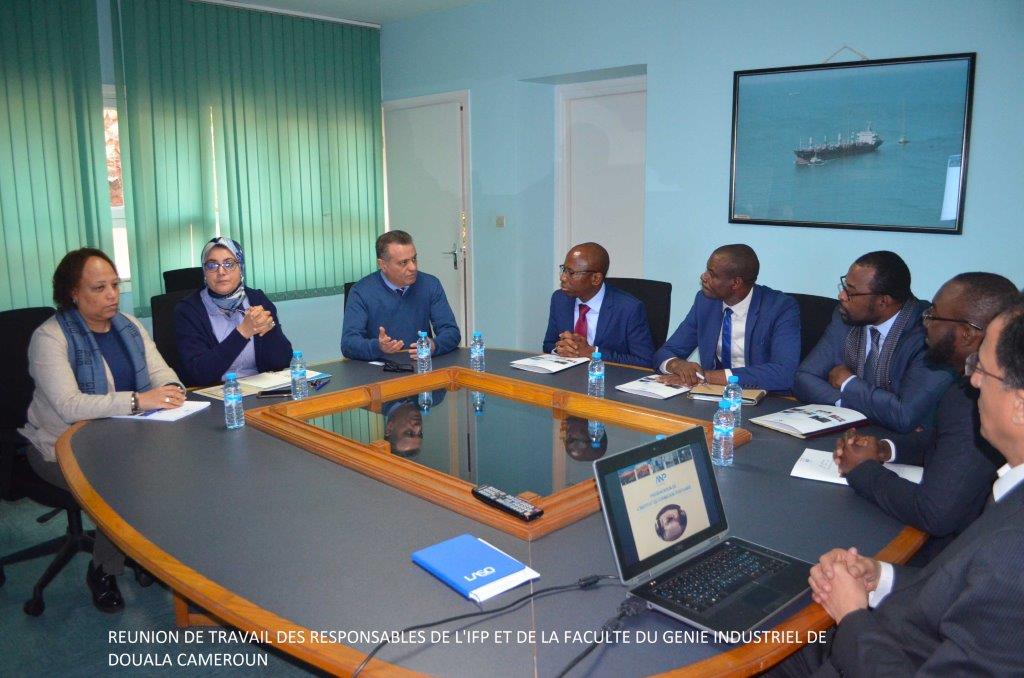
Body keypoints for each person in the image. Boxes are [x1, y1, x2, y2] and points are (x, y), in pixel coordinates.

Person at [770, 298, 1024, 677]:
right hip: (899, 630)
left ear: (1019, 404)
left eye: (982, 371)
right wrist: (880, 577)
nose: (972, 380)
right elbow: (961, 590)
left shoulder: (1012, 554)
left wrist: (852, 614)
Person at [19, 248, 185, 612]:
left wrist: (172, 390)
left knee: (179, 464)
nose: (112, 294)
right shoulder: (50, 338)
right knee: (121, 485)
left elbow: (161, 372)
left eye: (115, 285)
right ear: (72, 293)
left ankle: (150, 556)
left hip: (128, 438)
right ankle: (104, 570)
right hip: (61, 445)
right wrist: (139, 401)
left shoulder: (128, 325)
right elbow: (69, 405)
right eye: (99, 288)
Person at [833, 273, 1017, 555]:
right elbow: (948, 442)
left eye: (934, 315)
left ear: (967, 333)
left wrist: (862, 470)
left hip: (954, 554)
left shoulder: (971, 399)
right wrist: (886, 448)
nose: (924, 321)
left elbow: (935, 514)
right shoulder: (968, 388)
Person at [792, 251, 953, 433]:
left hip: (902, 446)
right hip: (853, 431)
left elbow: (903, 414)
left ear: (883, 301)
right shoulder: (845, 317)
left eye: (851, 292)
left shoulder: (927, 334)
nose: (842, 296)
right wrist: (848, 403)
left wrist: (848, 383)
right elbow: (803, 378)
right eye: (845, 286)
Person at [652, 244, 800, 391]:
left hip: (764, 396)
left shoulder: (780, 308)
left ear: (736, 283)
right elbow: (666, 352)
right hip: (713, 395)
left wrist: (705, 376)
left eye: (712, 274)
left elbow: (783, 373)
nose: (703, 277)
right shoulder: (705, 302)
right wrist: (676, 365)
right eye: (706, 270)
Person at [174, 237, 294, 387]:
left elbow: (282, 361)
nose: (221, 271)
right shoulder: (188, 311)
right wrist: (242, 333)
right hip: (215, 394)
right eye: (212, 265)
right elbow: (200, 374)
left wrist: (270, 331)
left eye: (229, 264)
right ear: (204, 272)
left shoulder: (257, 299)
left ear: (241, 268)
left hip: (259, 391)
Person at [341, 230, 460, 362]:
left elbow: (451, 332)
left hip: (421, 366)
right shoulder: (361, 291)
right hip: (380, 369)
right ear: (383, 265)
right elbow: (348, 344)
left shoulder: (430, 284)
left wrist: (434, 346)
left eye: (414, 259)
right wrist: (378, 347)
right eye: (403, 263)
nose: (413, 267)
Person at [542, 242, 654, 367]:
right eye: (564, 269)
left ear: (596, 278)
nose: (563, 278)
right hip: (566, 378)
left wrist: (594, 353)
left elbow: (645, 361)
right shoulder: (560, 299)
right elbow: (548, 344)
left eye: (571, 273)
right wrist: (560, 349)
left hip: (607, 380)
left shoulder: (629, 309)